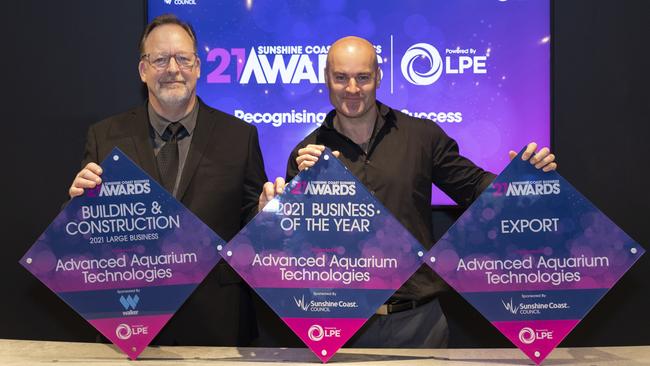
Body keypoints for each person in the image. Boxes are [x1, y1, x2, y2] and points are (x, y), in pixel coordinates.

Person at [259, 36, 556, 348]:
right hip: (340, 324)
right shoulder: (308, 155)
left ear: (378, 77)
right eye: (341, 77)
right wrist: (272, 213)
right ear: (326, 79)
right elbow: (294, 248)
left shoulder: (420, 136)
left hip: (419, 324)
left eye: (363, 77)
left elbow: (474, 186)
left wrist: (523, 181)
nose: (352, 89)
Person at [68, 14, 267, 346]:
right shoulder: (105, 136)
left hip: (218, 324)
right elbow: (84, 235)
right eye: (160, 59)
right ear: (143, 70)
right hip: (131, 320)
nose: (173, 69)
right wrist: (76, 208)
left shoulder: (240, 137)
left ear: (199, 66)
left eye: (183, 58)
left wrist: (264, 214)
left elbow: (251, 226)